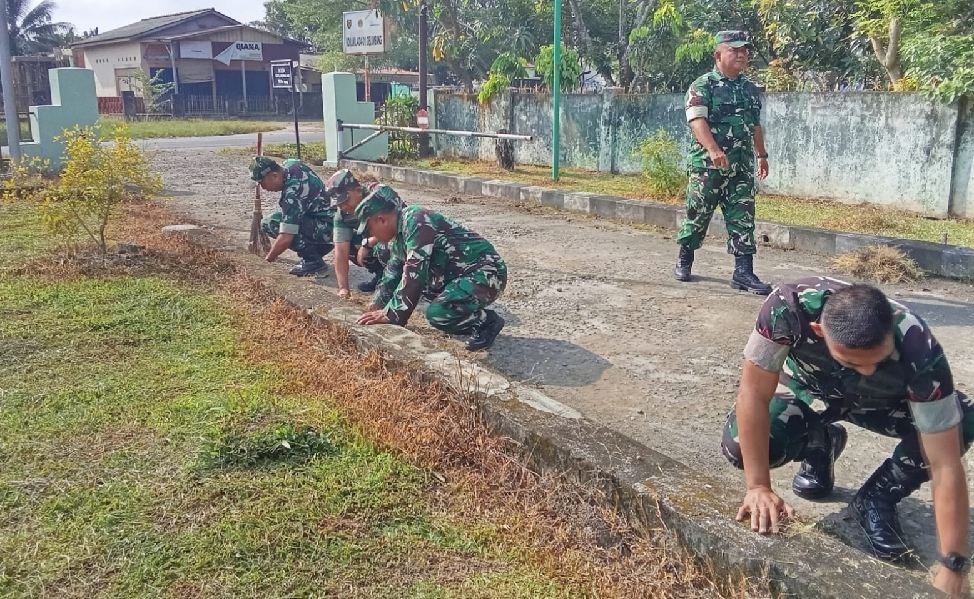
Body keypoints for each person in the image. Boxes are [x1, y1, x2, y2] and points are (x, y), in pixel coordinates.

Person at [722, 277, 972, 597]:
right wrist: (758, 487)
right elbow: (753, 394)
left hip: (881, 405)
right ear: (819, 332)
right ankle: (819, 443)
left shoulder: (917, 345)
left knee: (963, 420)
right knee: (742, 447)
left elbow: (945, 464)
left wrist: (953, 565)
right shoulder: (786, 307)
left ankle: (876, 498)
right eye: (853, 361)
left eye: (877, 361)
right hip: (811, 393)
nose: (867, 370)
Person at [674, 30, 771, 295]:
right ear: (718, 54)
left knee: (743, 218)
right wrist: (714, 149)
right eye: (735, 49)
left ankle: (743, 273)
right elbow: (696, 121)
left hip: (740, 166)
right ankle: (685, 258)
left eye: (744, 50)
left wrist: (762, 155)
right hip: (707, 166)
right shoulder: (703, 85)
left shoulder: (749, 89)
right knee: (698, 214)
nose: (742, 54)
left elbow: (755, 126)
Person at [353, 189, 507, 351]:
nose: (372, 235)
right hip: (458, 275)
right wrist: (375, 307)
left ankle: (486, 321)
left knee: (439, 314)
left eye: (370, 229)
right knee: (387, 257)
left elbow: (414, 274)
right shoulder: (399, 236)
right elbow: (393, 274)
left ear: (381, 220)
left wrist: (392, 315)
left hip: (487, 272)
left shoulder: (416, 219)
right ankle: (459, 306)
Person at [250, 156, 335, 277]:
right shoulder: (291, 166)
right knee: (282, 219)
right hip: (327, 220)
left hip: (328, 227)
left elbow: (286, 237)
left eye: (262, 183)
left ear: (274, 175)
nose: (263, 188)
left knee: (271, 223)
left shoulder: (292, 193)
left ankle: (313, 261)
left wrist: (267, 261)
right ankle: (318, 249)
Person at [324, 169, 397, 299]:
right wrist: (343, 289)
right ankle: (381, 276)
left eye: (345, 201)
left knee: (384, 248)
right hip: (370, 241)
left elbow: (401, 225)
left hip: (397, 239)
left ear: (357, 190)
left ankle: (399, 279)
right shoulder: (342, 215)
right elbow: (340, 252)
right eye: (339, 204)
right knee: (348, 246)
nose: (343, 207)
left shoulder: (380, 194)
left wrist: (368, 243)